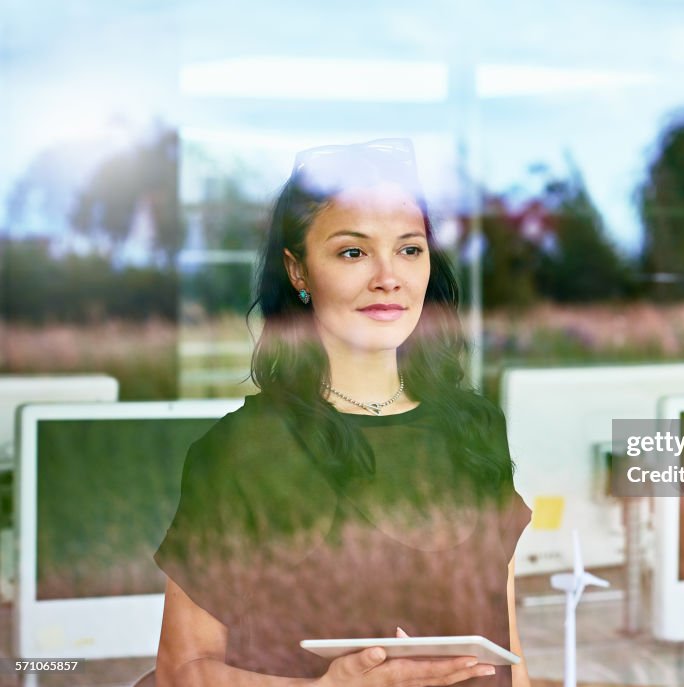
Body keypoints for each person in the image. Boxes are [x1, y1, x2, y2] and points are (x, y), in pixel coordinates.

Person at [154, 139, 532, 687]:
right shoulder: (241, 451)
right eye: (353, 252)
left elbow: (509, 650)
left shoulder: (475, 428)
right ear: (298, 271)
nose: (388, 277)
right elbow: (180, 672)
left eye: (409, 249)